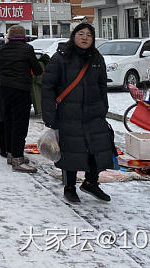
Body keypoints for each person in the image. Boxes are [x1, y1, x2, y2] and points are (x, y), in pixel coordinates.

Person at [41, 23, 113, 203]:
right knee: (71, 152)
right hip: (68, 114)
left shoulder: (97, 58)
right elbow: (48, 87)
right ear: (73, 36)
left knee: (97, 149)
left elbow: (102, 85)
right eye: (81, 33)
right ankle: (69, 187)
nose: (85, 37)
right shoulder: (60, 58)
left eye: (89, 35)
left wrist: (103, 106)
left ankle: (91, 183)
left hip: (93, 114)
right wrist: (50, 116)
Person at [0, 25, 43, 173]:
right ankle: (17, 158)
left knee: (8, 121)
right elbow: (37, 69)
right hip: (21, 89)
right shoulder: (27, 49)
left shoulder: (1, 49)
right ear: (23, 36)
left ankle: (10, 153)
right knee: (20, 124)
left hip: (4, 89)